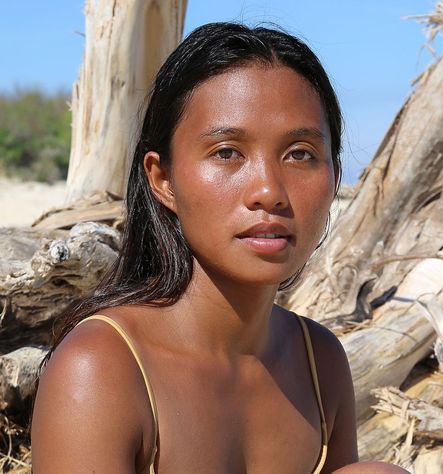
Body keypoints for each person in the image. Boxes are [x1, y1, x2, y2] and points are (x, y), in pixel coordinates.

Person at [31, 22, 409, 474]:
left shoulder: (318, 361)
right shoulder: (102, 368)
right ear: (162, 179)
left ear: (334, 174)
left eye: (300, 153)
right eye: (227, 152)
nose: (269, 190)